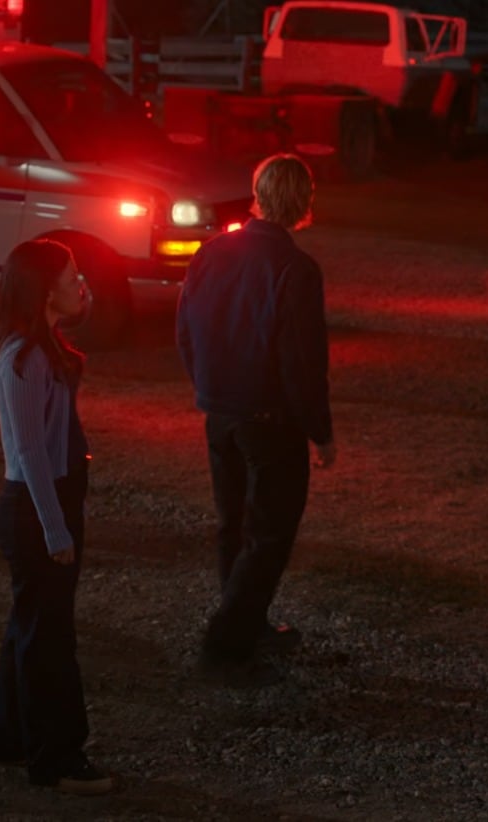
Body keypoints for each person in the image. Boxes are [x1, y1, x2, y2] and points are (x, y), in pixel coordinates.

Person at [175, 153, 336, 688]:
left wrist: (207, 386)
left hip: (220, 412)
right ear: (302, 201)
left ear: (258, 193)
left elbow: (185, 328)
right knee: (268, 533)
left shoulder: (212, 252)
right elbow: (302, 360)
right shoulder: (296, 269)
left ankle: (246, 624)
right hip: (269, 420)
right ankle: (227, 644)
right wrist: (319, 430)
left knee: (234, 525)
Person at [0, 239, 115, 796]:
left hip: (49, 500)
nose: (80, 284)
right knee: (50, 637)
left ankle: (13, 740)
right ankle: (55, 758)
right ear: (43, 289)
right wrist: (55, 528)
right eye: (71, 276)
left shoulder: (42, 349)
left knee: (31, 626)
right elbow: (31, 452)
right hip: (37, 506)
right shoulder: (23, 359)